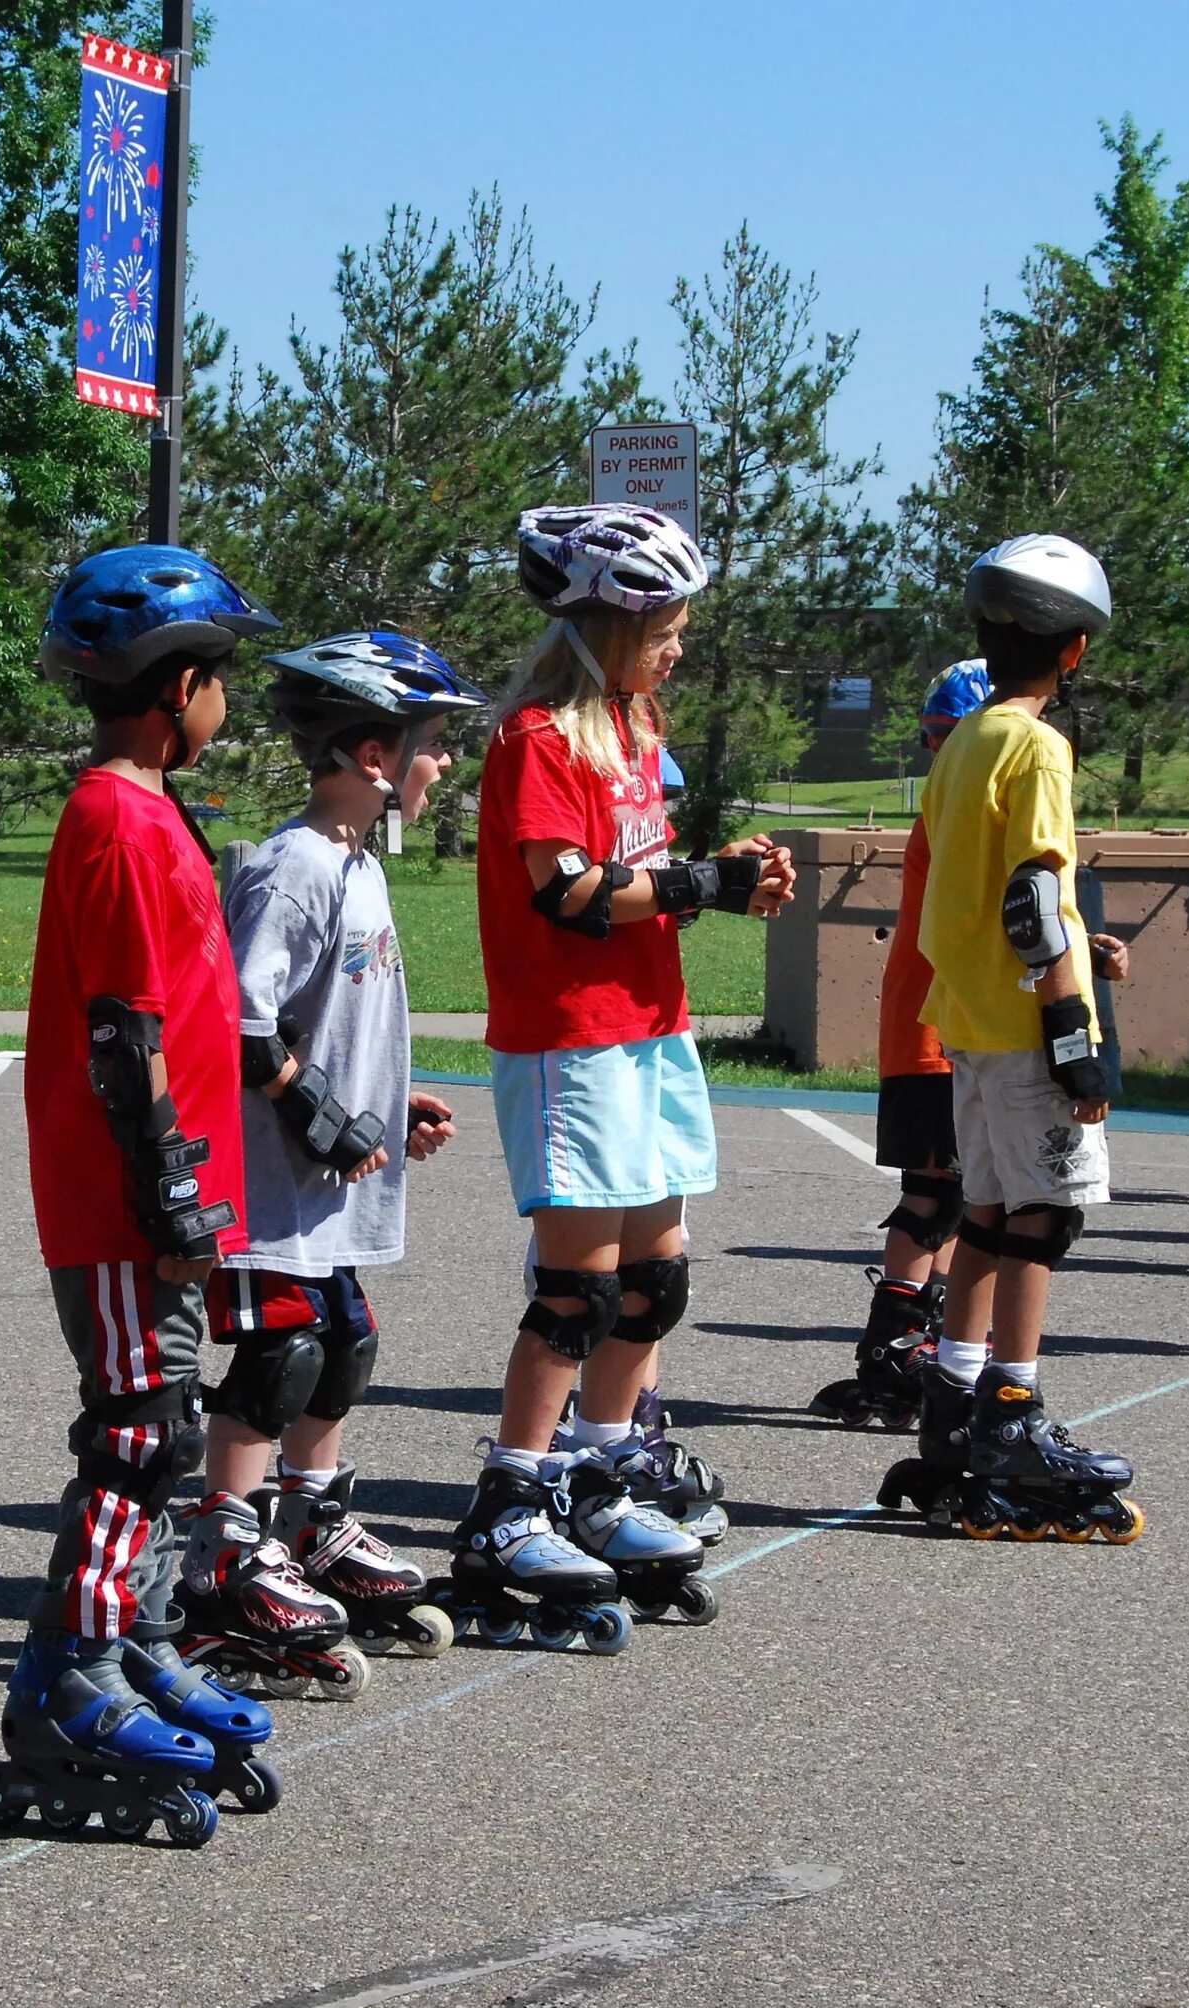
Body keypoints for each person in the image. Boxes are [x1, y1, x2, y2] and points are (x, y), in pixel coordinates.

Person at [0, 544, 282, 1848]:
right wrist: (170, 1197)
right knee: (136, 1431)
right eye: (221, 684)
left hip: (160, 1195)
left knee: (169, 1434)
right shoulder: (120, 821)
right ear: (180, 685)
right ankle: (71, 1678)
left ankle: (130, 1642)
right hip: (125, 1198)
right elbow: (123, 1033)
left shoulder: (146, 812)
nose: (227, 707)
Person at [441, 502, 792, 1650]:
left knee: (655, 1284)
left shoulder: (634, 728)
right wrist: (706, 888)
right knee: (576, 1291)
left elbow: (644, 872)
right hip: (570, 1038)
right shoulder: (541, 737)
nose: (679, 642)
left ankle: (602, 1473)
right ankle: (512, 1497)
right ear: (602, 623)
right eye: (665, 623)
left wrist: (721, 872)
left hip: (650, 1027)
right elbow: (570, 894)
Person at [177, 630, 487, 1699]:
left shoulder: (360, 866)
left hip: (326, 1181)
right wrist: (319, 1114)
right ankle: (222, 1556)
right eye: (432, 744)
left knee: (344, 1345)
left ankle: (307, 1522)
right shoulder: (294, 867)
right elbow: (240, 1020)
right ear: (371, 754)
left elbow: (331, 1019)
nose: (442, 763)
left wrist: (389, 1104)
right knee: (282, 1359)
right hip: (267, 1187)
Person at [875, 534, 1142, 1544]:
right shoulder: (1037, 747)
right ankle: (1013, 1413)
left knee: (984, 1216)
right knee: (1043, 1220)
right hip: (1029, 1024)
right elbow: (1037, 895)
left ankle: (954, 1393)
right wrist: (1075, 1029)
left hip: (969, 1024)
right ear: (1075, 651)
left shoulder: (962, 746)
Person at [814, 659, 987, 1431]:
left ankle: (919, 1336)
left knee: (952, 1194)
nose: (939, 754)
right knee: (936, 1194)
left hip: (944, 1027)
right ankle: (892, 1346)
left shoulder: (960, 810)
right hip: (937, 1030)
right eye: (935, 740)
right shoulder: (958, 817)